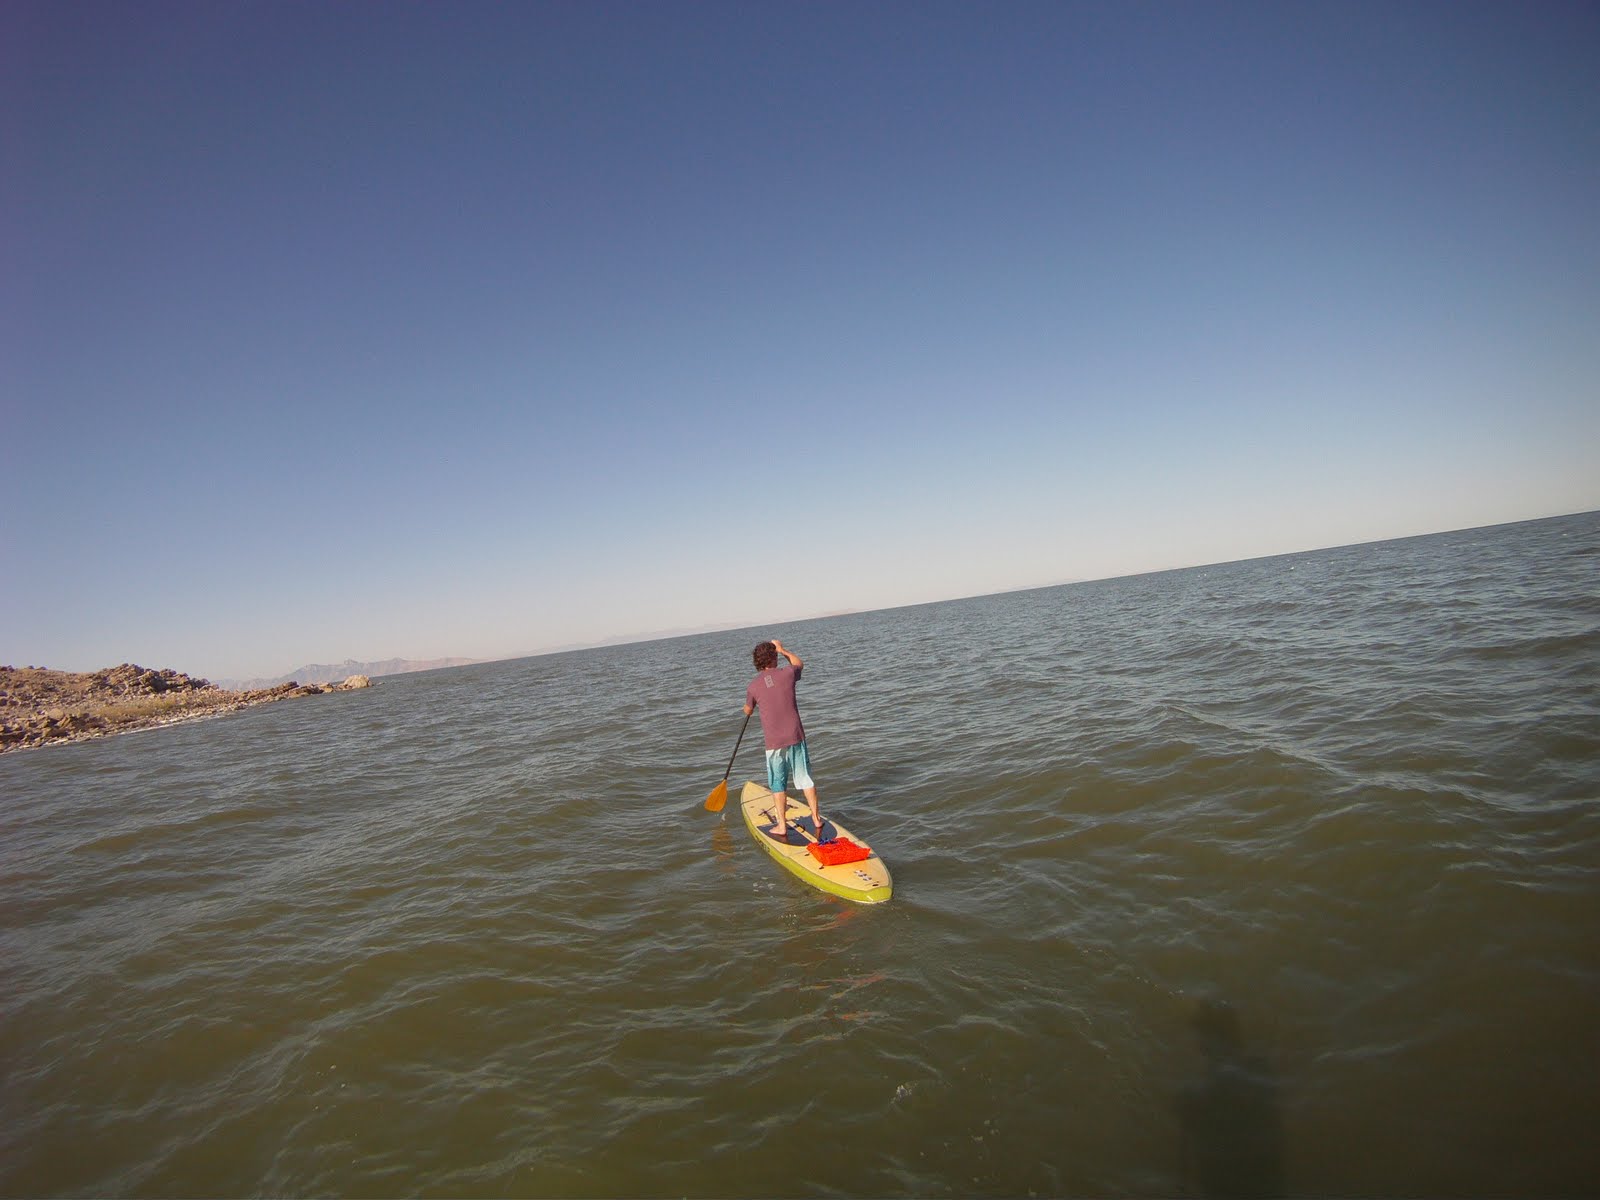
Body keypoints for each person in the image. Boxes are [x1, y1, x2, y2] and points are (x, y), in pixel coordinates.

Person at [743, 638, 822, 843]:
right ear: (775, 658)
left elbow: (748, 710)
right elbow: (798, 663)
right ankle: (816, 817)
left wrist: (750, 707)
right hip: (796, 735)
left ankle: (781, 825)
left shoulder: (753, 686)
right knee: (805, 778)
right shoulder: (788, 673)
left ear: (757, 662)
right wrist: (783, 649)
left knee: (778, 784)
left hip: (774, 742)